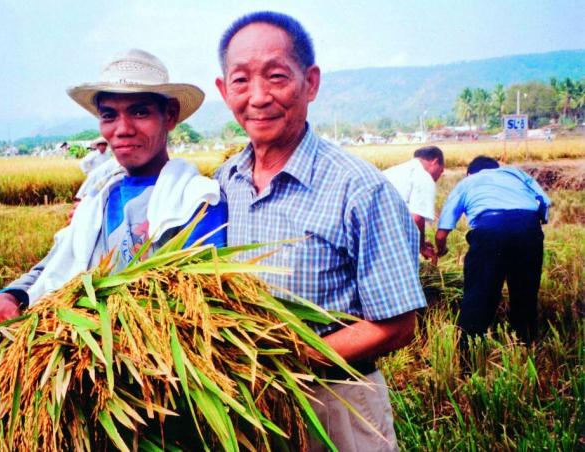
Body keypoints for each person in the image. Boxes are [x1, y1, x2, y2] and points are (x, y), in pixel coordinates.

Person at [215, 12, 426, 451]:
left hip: (337, 401)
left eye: (276, 76)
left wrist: (291, 361)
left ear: (310, 83)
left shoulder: (359, 188)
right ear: (223, 90)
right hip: (247, 405)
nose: (258, 97)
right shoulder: (222, 183)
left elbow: (398, 324)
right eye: (240, 81)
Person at [0, 49, 227, 327]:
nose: (122, 129)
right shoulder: (98, 199)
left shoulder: (196, 201)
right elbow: (57, 261)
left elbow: (202, 303)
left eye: (140, 112)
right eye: (109, 115)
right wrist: (11, 295)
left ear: (169, 116)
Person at [435, 156, 550, 345]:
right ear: (498, 168)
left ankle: (469, 353)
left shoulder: (468, 182)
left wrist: (442, 248)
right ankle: (526, 343)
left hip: (490, 231)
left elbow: (442, 231)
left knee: (479, 294)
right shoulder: (515, 173)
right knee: (525, 292)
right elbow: (544, 202)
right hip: (528, 228)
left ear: (470, 172)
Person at [383, 146, 445, 260]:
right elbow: (416, 217)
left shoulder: (394, 170)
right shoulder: (424, 176)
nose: (438, 177)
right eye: (441, 171)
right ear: (435, 162)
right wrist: (421, 247)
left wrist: (419, 241)